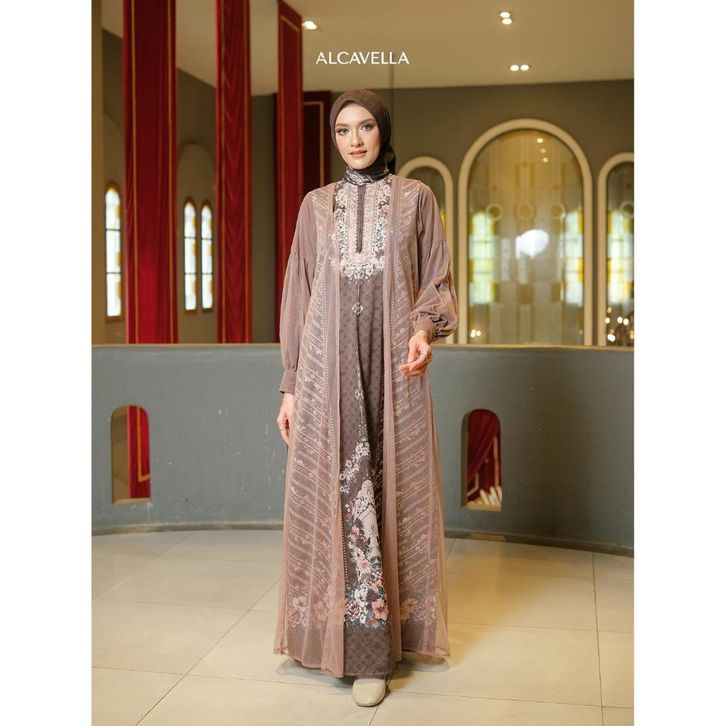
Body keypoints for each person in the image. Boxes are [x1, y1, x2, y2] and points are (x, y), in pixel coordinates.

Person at [273, 89, 458, 707]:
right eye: (343, 130)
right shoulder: (315, 206)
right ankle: (341, 641)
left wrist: (423, 331)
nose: (354, 140)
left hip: (391, 372)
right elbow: (299, 296)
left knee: (385, 490)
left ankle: (379, 647)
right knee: (339, 493)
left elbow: (435, 281)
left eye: (366, 127)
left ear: (384, 132)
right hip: (327, 375)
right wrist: (290, 386)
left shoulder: (416, 199)